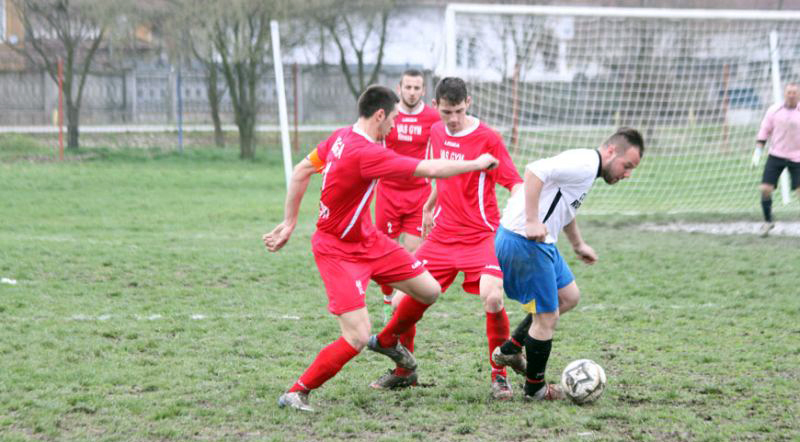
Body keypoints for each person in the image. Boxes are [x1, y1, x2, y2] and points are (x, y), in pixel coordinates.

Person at [263, 85, 499, 412]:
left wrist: (290, 222)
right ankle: (296, 392)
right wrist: (476, 163)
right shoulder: (366, 153)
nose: (395, 125)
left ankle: (389, 343)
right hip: (337, 251)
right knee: (357, 336)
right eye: (393, 118)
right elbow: (430, 169)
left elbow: (302, 169)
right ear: (379, 115)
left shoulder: (340, 137)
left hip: (368, 241)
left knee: (429, 290)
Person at [369, 77, 524, 400]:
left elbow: (515, 183)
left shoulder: (488, 138)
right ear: (435, 106)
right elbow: (442, 174)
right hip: (442, 236)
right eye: (446, 112)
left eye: (458, 111)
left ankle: (499, 376)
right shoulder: (437, 132)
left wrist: (522, 221)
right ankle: (404, 371)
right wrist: (429, 206)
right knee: (399, 300)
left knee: (493, 297)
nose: (452, 119)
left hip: (481, 235)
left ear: (469, 103)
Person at [491, 128, 644, 401]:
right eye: (627, 165)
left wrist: (577, 244)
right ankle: (535, 389)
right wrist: (531, 220)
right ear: (611, 151)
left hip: (542, 242)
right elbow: (534, 170)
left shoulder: (589, 169)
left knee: (569, 296)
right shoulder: (584, 164)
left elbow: (566, 208)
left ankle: (512, 348)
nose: (627, 173)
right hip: (524, 240)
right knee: (547, 318)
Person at [376, 69, 441, 322]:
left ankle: (401, 305)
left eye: (417, 88)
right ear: (399, 88)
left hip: (419, 196)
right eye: (408, 87)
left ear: (423, 91)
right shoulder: (386, 114)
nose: (412, 92)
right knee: (386, 251)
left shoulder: (433, 117)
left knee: (412, 253)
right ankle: (387, 299)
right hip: (388, 193)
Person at [751, 82, 800, 237]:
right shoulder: (774, 111)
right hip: (776, 155)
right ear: (784, 94)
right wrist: (757, 153)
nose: (791, 95)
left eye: (794, 92)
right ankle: (768, 221)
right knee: (765, 189)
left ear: (798, 95)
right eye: (789, 92)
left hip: (797, 157)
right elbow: (764, 131)